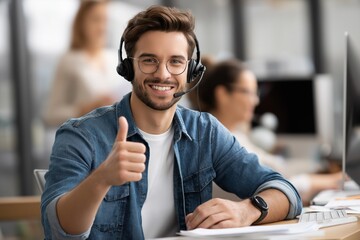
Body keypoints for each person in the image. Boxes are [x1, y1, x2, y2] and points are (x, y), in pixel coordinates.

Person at [41, 6, 302, 239]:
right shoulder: (81, 135)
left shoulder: (205, 132)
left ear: (191, 71)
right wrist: (101, 179)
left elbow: (285, 191)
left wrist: (246, 211)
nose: (163, 74)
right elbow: (58, 229)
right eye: (149, 60)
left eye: (176, 62)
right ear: (128, 68)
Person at [198, 58, 343, 205]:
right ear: (222, 94)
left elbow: (278, 171)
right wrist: (331, 180)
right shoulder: (218, 142)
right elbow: (274, 187)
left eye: (257, 93)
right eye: (249, 92)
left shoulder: (238, 136)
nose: (256, 101)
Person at [43, 0, 132, 127]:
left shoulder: (113, 58)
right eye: (96, 20)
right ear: (81, 23)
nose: (102, 27)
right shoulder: (69, 61)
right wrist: (86, 109)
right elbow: (51, 115)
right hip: (84, 140)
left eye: (105, 20)